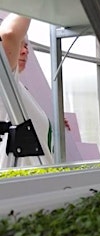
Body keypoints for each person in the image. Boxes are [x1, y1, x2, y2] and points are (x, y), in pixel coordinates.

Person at [0, 14, 54, 168]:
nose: (25, 51)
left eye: (26, 46)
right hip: (18, 188)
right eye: (20, 44)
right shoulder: (4, 81)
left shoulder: (18, 89)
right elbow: (9, 33)